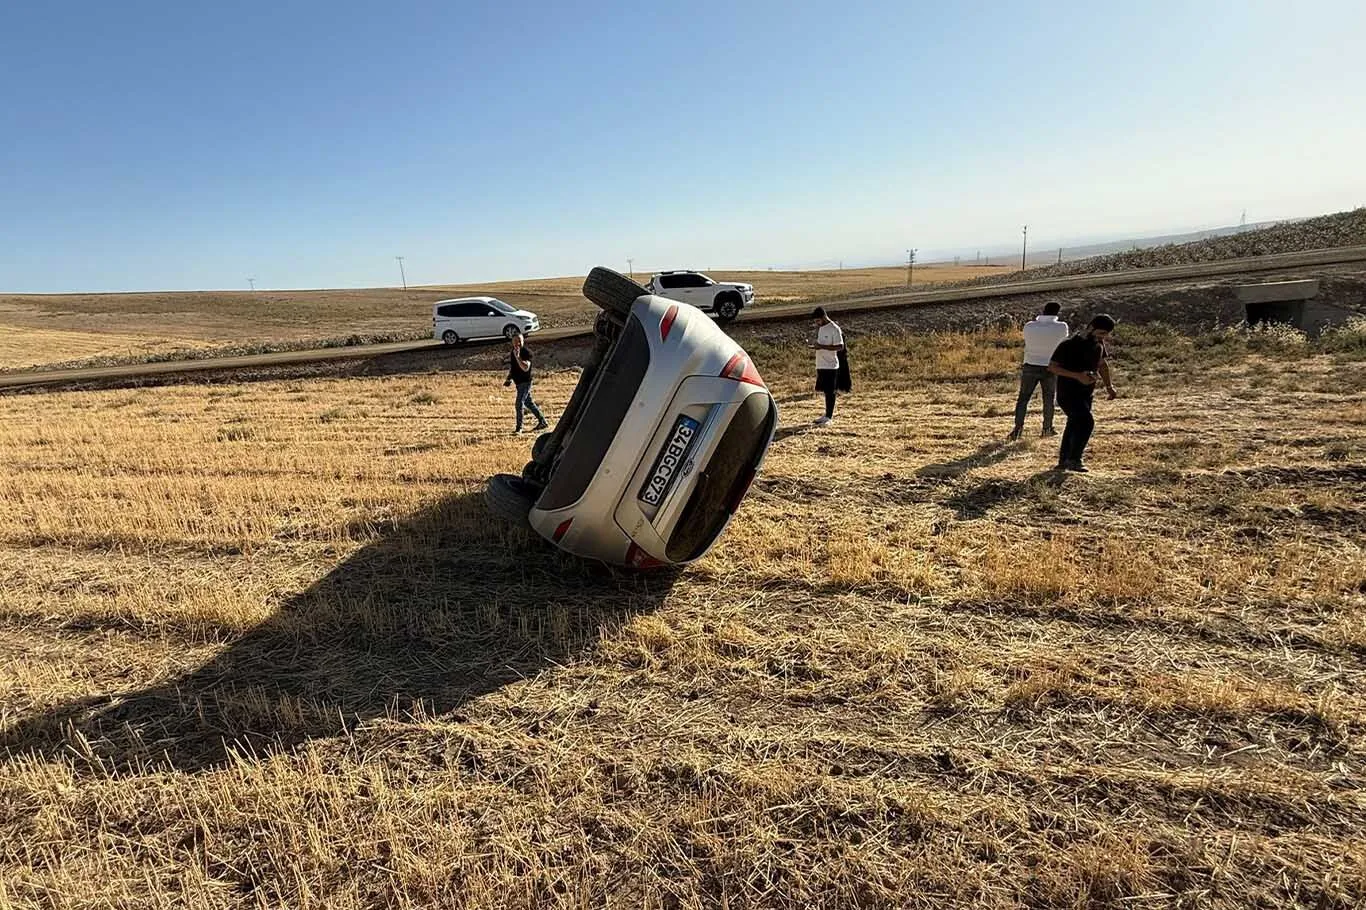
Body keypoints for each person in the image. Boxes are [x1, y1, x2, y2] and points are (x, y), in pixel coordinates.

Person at [1047, 314, 1118, 472]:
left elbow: (1102, 364)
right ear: (1091, 327)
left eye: (1105, 334)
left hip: (1086, 393)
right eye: (1100, 333)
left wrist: (1109, 386)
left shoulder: (1098, 344)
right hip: (1068, 393)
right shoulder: (1069, 344)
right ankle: (1075, 459)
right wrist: (1077, 376)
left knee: (1074, 424)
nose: (1103, 337)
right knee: (1086, 422)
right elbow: (1052, 367)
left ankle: (1064, 460)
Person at [1009, 301, 1069, 440]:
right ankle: (1047, 428)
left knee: (1023, 398)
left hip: (1030, 365)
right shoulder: (1061, 327)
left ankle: (1017, 430)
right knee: (1048, 399)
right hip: (1051, 366)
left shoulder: (1029, 326)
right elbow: (1064, 343)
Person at [503, 330, 549, 435]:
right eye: (515, 341)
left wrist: (518, 357)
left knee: (519, 404)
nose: (517, 344)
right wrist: (509, 378)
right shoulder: (513, 352)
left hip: (525, 382)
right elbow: (514, 367)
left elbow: (525, 368)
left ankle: (519, 429)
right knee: (529, 403)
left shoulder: (525, 352)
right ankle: (543, 422)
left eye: (519, 341)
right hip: (518, 383)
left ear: (523, 341)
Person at [811, 307, 845, 426]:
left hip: (830, 365)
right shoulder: (821, 328)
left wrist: (822, 347)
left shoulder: (834, 329)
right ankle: (825, 415)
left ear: (823, 317)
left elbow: (840, 346)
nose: (816, 323)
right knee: (825, 391)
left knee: (831, 391)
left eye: (817, 321)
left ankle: (829, 417)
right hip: (821, 364)